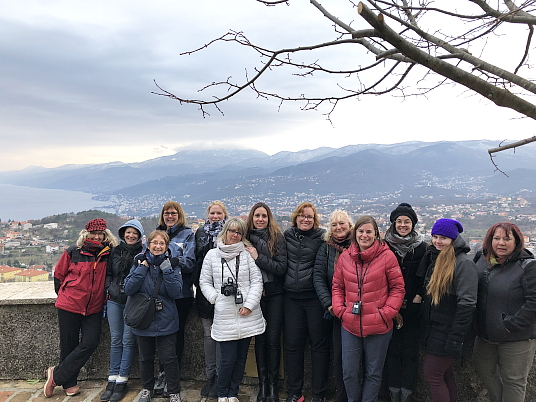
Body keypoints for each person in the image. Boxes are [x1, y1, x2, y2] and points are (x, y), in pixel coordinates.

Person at [332, 215, 405, 402]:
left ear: (376, 234)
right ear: (355, 233)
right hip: (350, 324)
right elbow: (337, 286)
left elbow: (398, 288)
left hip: (379, 325)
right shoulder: (345, 257)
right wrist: (341, 310)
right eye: (361, 231)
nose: (364, 235)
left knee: (373, 373)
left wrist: (386, 313)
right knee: (349, 372)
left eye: (368, 232)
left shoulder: (387, 256)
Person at [44, 218, 118, 398]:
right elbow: (59, 275)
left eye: (101, 233)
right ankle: (70, 383)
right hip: (70, 305)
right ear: (87, 233)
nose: (98, 237)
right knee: (69, 345)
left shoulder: (108, 254)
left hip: (94, 307)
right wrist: (66, 295)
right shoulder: (73, 252)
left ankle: (56, 375)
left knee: (90, 342)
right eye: (94, 233)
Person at [199, 217, 266, 402]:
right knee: (227, 360)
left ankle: (233, 393)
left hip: (247, 314)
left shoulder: (246, 255)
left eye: (239, 232)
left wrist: (249, 305)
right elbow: (204, 281)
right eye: (232, 231)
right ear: (225, 231)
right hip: (225, 314)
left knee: (241, 359)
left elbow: (256, 281)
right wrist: (216, 299)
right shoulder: (212, 255)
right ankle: (222, 394)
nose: (235, 235)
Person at [473, 222, 536, 402]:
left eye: (507, 239)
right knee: (482, 367)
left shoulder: (527, 266)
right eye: (497, 238)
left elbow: (534, 303)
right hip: (484, 334)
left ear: (517, 242)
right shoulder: (482, 260)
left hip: (516, 337)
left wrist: (510, 325)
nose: (501, 243)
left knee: (514, 381)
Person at [417, 218, 477, 402]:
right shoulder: (436, 258)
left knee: (433, 375)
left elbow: (467, 303)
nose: (437, 241)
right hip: (436, 328)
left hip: (448, 330)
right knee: (444, 375)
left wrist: (456, 337)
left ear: (453, 239)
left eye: (443, 237)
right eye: (435, 236)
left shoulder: (462, 264)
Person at [124, 230, 183, 402]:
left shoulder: (172, 264)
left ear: (166, 246)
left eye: (161, 243)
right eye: (154, 243)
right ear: (148, 245)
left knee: (169, 358)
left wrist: (168, 271)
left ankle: (173, 391)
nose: (158, 246)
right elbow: (128, 289)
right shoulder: (138, 263)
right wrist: (142, 269)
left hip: (166, 318)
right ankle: (146, 389)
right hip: (143, 318)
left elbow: (176, 292)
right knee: (145, 358)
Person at [283, 202, 329, 402]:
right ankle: (295, 393)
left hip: (314, 298)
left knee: (319, 346)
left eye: (309, 216)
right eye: (302, 215)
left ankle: (319, 394)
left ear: (315, 219)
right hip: (291, 298)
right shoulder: (286, 236)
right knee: (293, 346)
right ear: (295, 218)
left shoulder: (322, 238)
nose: (305, 219)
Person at [383, 204, 427, 402]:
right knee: (392, 352)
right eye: (399, 221)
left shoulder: (422, 248)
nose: (402, 225)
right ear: (393, 223)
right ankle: (393, 393)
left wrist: (418, 296)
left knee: (410, 353)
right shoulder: (384, 246)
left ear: (413, 224)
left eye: (406, 221)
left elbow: (427, 276)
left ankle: (407, 393)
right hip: (388, 307)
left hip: (413, 307)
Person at [246, 202, 287, 402]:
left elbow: (280, 268)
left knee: (272, 340)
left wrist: (257, 257)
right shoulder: (245, 239)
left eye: (263, 216)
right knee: (260, 340)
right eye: (257, 216)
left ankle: (273, 384)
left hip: (275, 294)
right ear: (251, 218)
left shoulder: (277, 238)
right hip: (254, 296)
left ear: (269, 218)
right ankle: (263, 384)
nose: (260, 219)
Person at [154, 201, 196, 396]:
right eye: (166, 213)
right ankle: (162, 373)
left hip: (181, 294)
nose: (170, 216)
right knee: (161, 334)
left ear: (179, 215)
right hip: (160, 293)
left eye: (173, 213)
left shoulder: (187, 235)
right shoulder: (157, 234)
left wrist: (171, 261)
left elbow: (189, 262)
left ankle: (172, 375)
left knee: (176, 336)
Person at [101, 219, 145, 402]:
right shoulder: (115, 251)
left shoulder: (143, 253)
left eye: (134, 233)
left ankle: (122, 380)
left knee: (128, 340)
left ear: (140, 235)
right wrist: (108, 288)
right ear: (122, 234)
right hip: (114, 300)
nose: (131, 235)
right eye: (128, 232)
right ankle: (112, 378)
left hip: (131, 301)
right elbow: (108, 272)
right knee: (115, 339)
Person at [313, 210, 352, 402]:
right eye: (335, 225)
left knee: (348, 357)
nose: (338, 228)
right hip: (332, 309)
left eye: (342, 224)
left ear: (350, 226)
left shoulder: (357, 246)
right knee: (336, 355)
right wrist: (329, 304)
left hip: (352, 310)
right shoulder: (325, 248)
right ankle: (340, 395)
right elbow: (318, 277)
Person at [194, 200, 228, 399]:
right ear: (208, 214)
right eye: (212, 213)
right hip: (204, 288)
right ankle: (210, 376)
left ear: (224, 214)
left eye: (219, 213)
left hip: (224, 290)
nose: (215, 216)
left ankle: (219, 377)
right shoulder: (200, 233)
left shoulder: (231, 232)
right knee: (208, 336)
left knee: (221, 335)